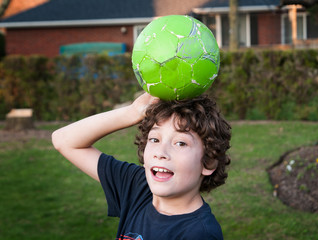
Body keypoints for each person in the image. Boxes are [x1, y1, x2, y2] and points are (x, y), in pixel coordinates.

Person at [52, 92, 231, 239]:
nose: (161, 152)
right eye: (154, 139)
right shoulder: (137, 186)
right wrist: (132, 112)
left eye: (180, 143)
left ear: (208, 161)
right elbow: (64, 140)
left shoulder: (199, 234)